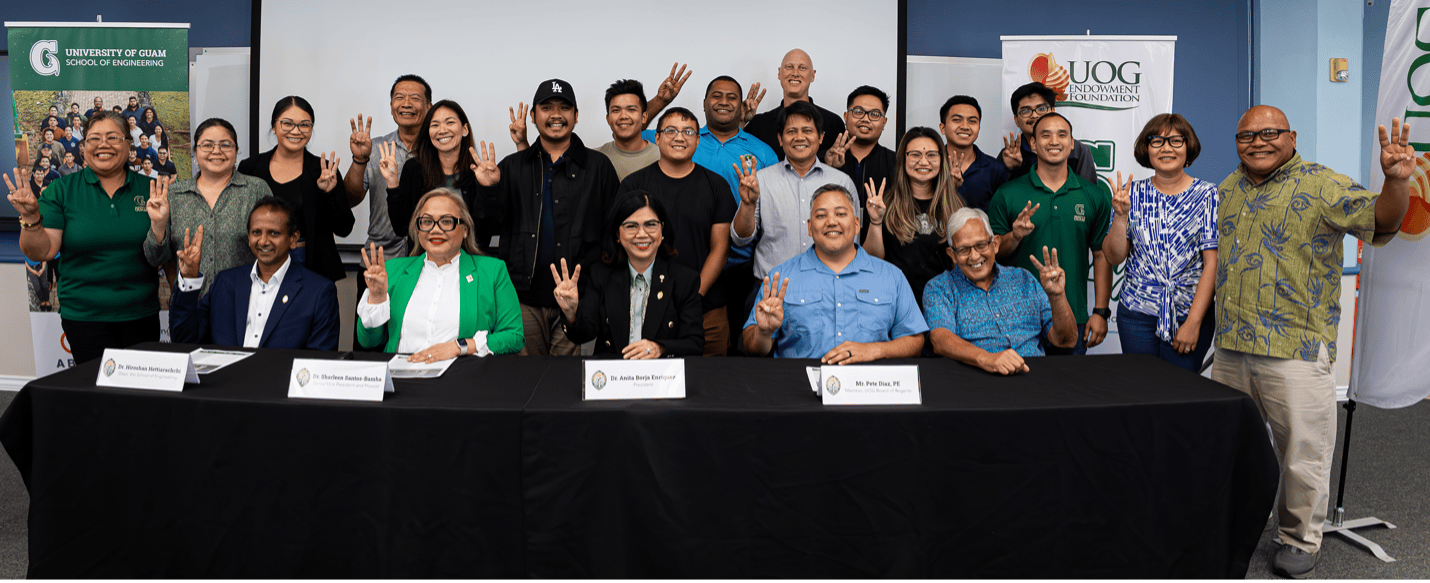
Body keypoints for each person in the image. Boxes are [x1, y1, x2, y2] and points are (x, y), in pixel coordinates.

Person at [1210, 106, 1414, 580]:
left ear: (1291, 136)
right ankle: (1239, 521)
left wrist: (1397, 181)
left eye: (1270, 133)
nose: (1258, 142)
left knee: (1304, 452)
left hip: (1295, 350)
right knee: (1233, 447)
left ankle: (1300, 538)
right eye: (1247, 136)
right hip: (1233, 347)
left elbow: (1383, 218)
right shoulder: (1226, 189)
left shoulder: (1323, 185)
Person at [474, 79, 619, 356]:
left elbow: (612, 235)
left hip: (579, 298)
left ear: (576, 116)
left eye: (565, 108)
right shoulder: (511, 167)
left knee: (566, 386)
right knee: (524, 382)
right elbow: (484, 230)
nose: (556, 115)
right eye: (547, 107)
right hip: (521, 299)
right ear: (533, 116)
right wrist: (488, 190)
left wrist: (599, 291)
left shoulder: (598, 167)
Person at [5, 110, 163, 365]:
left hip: (141, 315)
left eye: (113, 137)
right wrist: (32, 218)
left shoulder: (152, 190)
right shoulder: (62, 190)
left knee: (141, 397)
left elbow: (165, 253)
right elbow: (41, 252)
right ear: (83, 146)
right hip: (84, 317)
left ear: (128, 144)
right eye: (94, 138)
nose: (103, 144)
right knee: (95, 397)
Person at [637, 74, 780, 353]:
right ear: (704, 103)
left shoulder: (762, 151)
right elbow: (633, 130)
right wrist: (661, 101)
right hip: (685, 262)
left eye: (731, 97)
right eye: (716, 96)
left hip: (743, 267)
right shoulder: (684, 138)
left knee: (738, 349)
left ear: (742, 107)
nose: (723, 102)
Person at [743, 184, 927, 361]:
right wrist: (763, 333)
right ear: (809, 227)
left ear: (856, 224)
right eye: (821, 215)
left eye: (840, 214)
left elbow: (915, 342)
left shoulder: (890, 277)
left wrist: (875, 350)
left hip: (869, 387)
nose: (831, 222)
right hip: (797, 385)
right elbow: (752, 349)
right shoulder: (780, 278)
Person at [988, 113, 1112, 354]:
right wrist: (1014, 236)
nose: (1054, 141)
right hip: (1016, 316)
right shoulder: (1007, 193)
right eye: (1045, 135)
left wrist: (1100, 311)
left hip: (1072, 315)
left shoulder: (1093, 196)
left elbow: (1101, 255)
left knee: (1066, 390)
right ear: (1033, 143)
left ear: (1072, 143)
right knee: (1015, 390)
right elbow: (991, 254)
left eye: (1062, 134)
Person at [1102, 114, 1218, 371]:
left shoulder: (1207, 194)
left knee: (1180, 396)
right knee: (1140, 392)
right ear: (1146, 148)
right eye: (1157, 141)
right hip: (1136, 315)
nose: (1166, 147)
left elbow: (1212, 264)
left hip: (1189, 313)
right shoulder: (1131, 193)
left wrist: (1193, 323)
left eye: (1176, 140)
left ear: (1188, 147)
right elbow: (1114, 257)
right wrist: (1120, 216)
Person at [618, 108, 736, 355]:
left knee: (711, 386)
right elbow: (623, 242)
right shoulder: (634, 185)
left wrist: (691, 298)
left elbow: (721, 249)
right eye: (670, 130)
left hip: (707, 309)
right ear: (657, 138)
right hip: (643, 307)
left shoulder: (717, 186)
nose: (679, 137)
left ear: (698, 140)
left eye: (688, 131)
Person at [357, 188, 524, 357]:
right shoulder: (392, 270)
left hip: (461, 377)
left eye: (446, 221)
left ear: (465, 229)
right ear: (418, 229)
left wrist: (460, 347)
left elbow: (514, 336)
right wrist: (377, 299)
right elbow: (368, 342)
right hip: (403, 376)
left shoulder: (493, 271)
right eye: (427, 221)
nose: (435, 230)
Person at [170, 196, 340, 350]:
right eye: (256, 232)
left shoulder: (319, 292)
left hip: (280, 383)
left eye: (274, 233)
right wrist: (189, 279)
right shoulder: (225, 282)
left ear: (293, 239)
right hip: (226, 382)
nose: (263, 241)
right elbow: (184, 339)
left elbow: (318, 362)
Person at [552, 190, 703, 358]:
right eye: (631, 226)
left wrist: (659, 348)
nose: (642, 234)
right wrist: (571, 313)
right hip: (613, 376)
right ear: (617, 234)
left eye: (651, 224)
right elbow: (583, 335)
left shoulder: (685, 279)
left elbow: (695, 344)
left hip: (661, 378)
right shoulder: (600, 275)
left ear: (662, 231)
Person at [924, 208, 1076, 374]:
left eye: (981, 245)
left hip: (1035, 379)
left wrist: (1057, 296)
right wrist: (989, 358)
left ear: (995, 244)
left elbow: (1066, 341)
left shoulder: (1023, 279)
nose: (974, 256)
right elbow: (940, 340)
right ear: (952, 255)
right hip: (976, 382)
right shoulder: (940, 288)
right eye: (963, 249)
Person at [731, 100, 859, 283]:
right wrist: (747, 205)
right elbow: (740, 239)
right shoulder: (761, 180)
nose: (800, 137)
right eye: (791, 131)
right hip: (772, 291)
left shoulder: (841, 182)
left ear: (821, 137)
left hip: (829, 287)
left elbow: (853, 244)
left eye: (807, 131)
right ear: (780, 139)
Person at [145, 118, 274, 297]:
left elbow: (275, 251)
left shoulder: (256, 190)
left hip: (245, 305)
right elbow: (154, 259)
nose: (216, 151)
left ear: (236, 151)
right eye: (207, 145)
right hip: (189, 305)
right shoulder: (173, 196)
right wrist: (158, 225)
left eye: (225, 145)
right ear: (195, 152)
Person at [238, 96, 354, 282]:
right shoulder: (250, 168)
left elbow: (344, 228)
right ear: (274, 126)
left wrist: (329, 193)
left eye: (304, 125)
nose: (296, 131)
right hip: (261, 262)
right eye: (287, 123)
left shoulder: (323, 169)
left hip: (311, 266)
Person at [863, 127, 965, 307]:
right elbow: (872, 259)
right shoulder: (885, 203)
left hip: (944, 304)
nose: (923, 161)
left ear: (942, 160)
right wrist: (876, 221)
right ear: (903, 159)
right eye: (915, 154)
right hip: (896, 303)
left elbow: (962, 264)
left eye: (932, 155)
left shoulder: (956, 205)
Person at [344, 74, 432, 261]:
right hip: (379, 260)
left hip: (429, 261)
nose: (406, 103)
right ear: (391, 108)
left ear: (429, 107)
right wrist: (360, 160)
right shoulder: (374, 148)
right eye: (399, 98)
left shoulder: (439, 151)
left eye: (415, 98)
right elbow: (350, 199)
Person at [381, 99, 487, 249]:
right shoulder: (414, 169)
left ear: (465, 130)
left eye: (449, 123)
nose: (442, 130)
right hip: (425, 263)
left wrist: (488, 188)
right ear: (428, 132)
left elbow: (487, 230)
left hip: (469, 264)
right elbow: (401, 228)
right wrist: (392, 183)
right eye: (435, 125)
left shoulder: (478, 171)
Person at [743, 49, 845, 161]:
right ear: (779, 73)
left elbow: (843, 163)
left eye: (802, 68)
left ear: (813, 75)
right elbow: (735, 152)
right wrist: (741, 121)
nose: (795, 73)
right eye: (789, 67)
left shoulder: (833, 123)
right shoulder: (759, 124)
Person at [825, 86, 897, 237]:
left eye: (875, 114)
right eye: (858, 111)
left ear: (884, 123)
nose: (865, 119)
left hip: (884, 249)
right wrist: (828, 168)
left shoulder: (897, 163)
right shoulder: (824, 160)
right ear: (845, 117)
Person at [998, 82, 1098, 185]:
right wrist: (1010, 169)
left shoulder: (1078, 151)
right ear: (1016, 120)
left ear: (1053, 111)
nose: (1035, 115)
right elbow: (999, 196)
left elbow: (1089, 194)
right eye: (1026, 111)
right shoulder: (1009, 155)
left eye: (1041, 109)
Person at [940, 95, 1008, 210]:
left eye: (972, 121)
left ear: (979, 128)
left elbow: (1001, 215)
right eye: (957, 120)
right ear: (943, 128)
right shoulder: (931, 164)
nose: (965, 127)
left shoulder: (995, 169)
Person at [595, 79, 661, 180]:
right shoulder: (594, 159)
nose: (623, 116)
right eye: (616, 110)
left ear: (644, 117)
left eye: (631, 110)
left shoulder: (663, 159)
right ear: (608, 119)